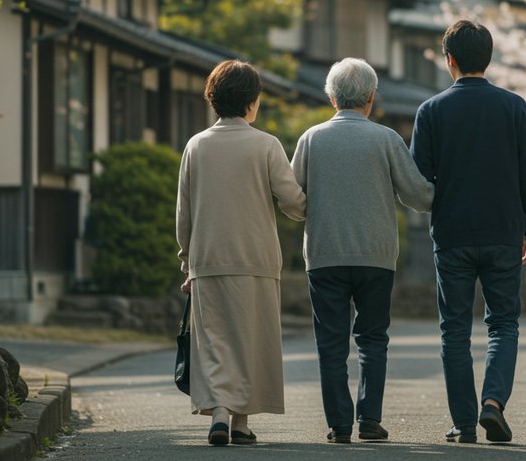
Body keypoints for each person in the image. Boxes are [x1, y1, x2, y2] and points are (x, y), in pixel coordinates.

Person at [410, 20, 526, 444]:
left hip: (452, 234)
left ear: (449, 60)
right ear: (488, 58)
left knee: (454, 330)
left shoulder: (431, 111)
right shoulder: (514, 106)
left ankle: (464, 423)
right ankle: (493, 404)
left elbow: (419, 179)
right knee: (503, 323)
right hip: (504, 231)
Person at [291, 58, 434, 445]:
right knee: (373, 338)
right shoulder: (386, 139)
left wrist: (315, 210)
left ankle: (339, 424)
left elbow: (292, 199)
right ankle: (369, 419)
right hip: (376, 254)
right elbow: (417, 196)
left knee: (331, 342)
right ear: (371, 98)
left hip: (324, 254)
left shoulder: (311, 139)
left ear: (331, 97)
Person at [175, 60, 306, 446]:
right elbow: (293, 201)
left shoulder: (195, 145)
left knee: (215, 339)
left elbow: (184, 212)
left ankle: (217, 411)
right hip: (257, 258)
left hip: (209, 257)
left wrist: (187, 260)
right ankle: (241, 423)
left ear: (213, 99)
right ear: (253, 101)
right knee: (250, 338)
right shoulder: (266, 145)